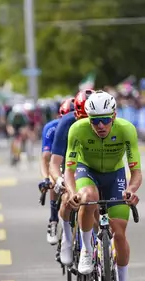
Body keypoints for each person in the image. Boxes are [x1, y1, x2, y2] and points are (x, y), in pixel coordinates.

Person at [63, 91, 142, 281]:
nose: (100, 126)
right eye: (94, 121)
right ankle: (87, 250)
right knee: (88, 198)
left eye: (105, 120)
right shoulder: (77, 130)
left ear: (114, 116)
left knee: (119, 232)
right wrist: (71, 193)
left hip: (115, 175)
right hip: (87, 171)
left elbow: (135, 171)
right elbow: (69, 169)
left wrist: (131, 189)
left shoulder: (126, 130)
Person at [50, 89, 94, 265]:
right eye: (83, 118)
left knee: (96, 202)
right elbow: (54, 162)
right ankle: (67, 240)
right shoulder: (67, 123)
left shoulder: (103, 123)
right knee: (68, 197)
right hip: (69, 163)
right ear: (76, 114)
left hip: (91, 163)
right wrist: (59, 180)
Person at [39, 98, 74, 245]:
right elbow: (46, 159)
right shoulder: (51, 128)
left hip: (74, 160)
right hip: (58, 159)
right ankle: (53, 220)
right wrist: (46, 178)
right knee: (54, 182)